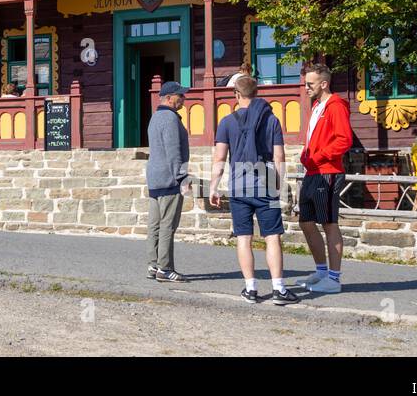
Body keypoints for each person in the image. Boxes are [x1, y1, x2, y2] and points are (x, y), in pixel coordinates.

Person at [209, 76, 301, 305]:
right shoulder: (271, 120)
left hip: (239, 188)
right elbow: (279, 155)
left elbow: (220, 157)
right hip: (266, 184)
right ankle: (279, 289)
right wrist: (278, 182)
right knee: (272, 237)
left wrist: (214, 186)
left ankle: (251, 289)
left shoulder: (227, 122)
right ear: (257, 93)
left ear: (237, 95)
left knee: (243, 237)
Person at [293, 64, 353, 294]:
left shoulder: (335, 105)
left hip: (327, 172)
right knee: (306, 221)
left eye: (310, 84)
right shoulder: (318, 105)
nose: (306, 87)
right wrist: (307, 154)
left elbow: (343, 140)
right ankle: (321, 271)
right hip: (313, 171)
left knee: (329, 223)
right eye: (305, 83)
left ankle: (334, 279)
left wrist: (317, 156)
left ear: (324, 84)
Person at [145, 81, 191, 283]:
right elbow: (174, 152)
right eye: (180, 96)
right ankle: (165, 267)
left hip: (154, 176)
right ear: (170, 98)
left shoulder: (155, 117)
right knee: (167, 225)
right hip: (169, 177)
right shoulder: (171, 119)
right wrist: (182, 177)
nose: (183, 99)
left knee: (154, 224)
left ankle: (153, 264)